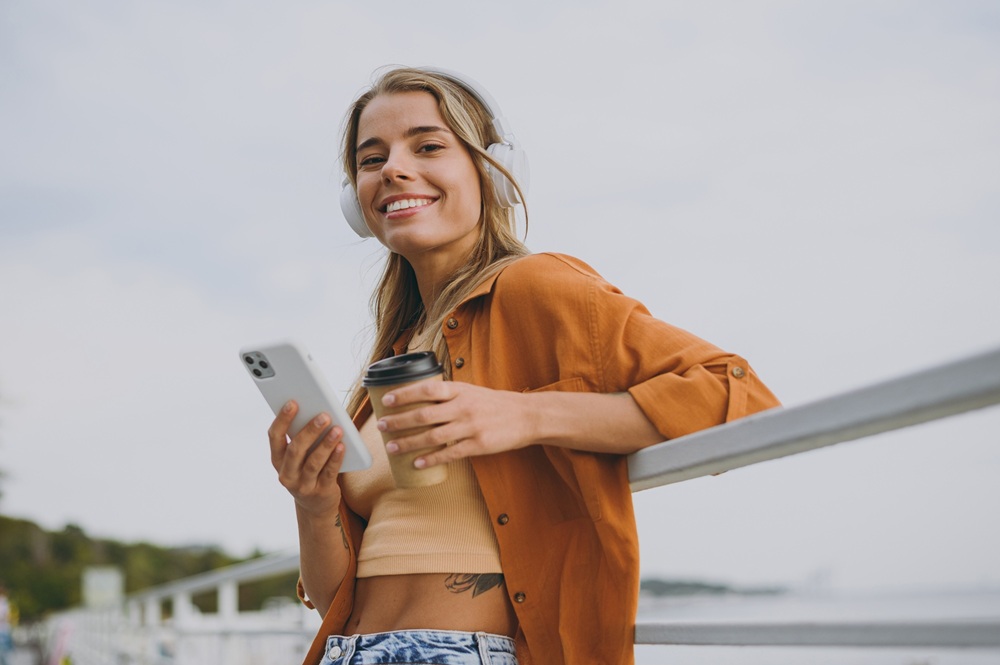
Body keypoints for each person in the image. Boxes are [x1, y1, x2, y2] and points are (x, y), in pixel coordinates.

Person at [266, 66, 781, 665]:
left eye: (428, 146)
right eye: (371, 158)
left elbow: (739, 396)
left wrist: (527, 415)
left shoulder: (534, 286)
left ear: (489, 170)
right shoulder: (394, 357)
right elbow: (335, 598)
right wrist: (313, 501)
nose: (394, 170)